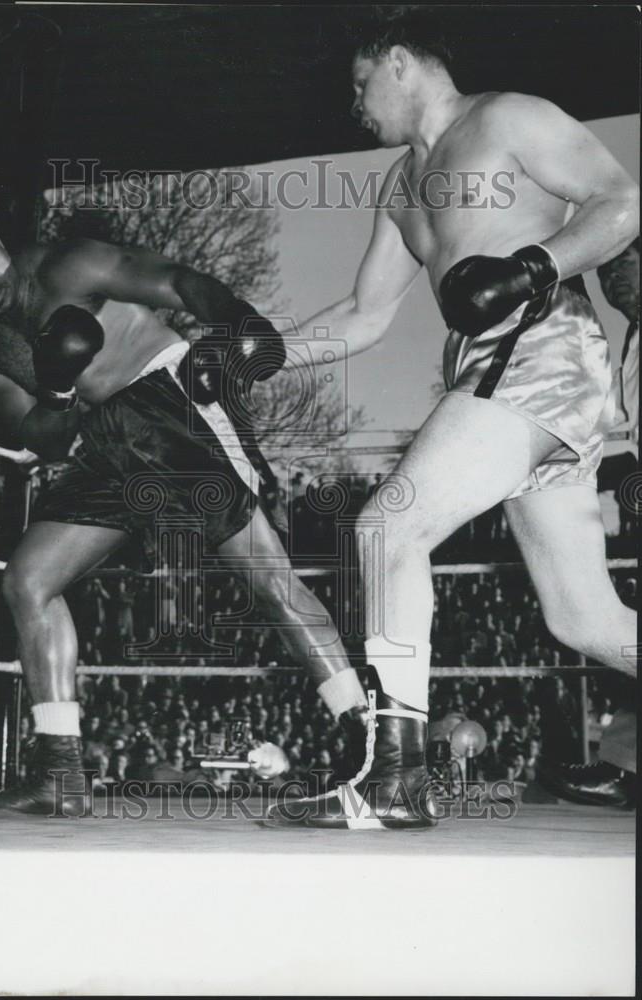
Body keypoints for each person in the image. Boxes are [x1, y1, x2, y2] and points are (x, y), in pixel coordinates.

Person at [267, 10, 638, 828]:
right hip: (489, 373)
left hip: (542, 350)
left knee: (386, 527)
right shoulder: (399, 187)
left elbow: (621, 200)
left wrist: (530, 269)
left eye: (360, 84)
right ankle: (393, 779)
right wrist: (256, 354)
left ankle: (392, 780)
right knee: (580, 617)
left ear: (398, 61)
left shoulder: (506, 117)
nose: (355, 104)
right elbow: (364, 316)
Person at [0, 205, 370, 817]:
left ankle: (371, 744)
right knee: (29, 581)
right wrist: (56, 386)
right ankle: (60, 772)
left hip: (169, 403)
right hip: (101, 439)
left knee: (268, 580)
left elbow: (178, 281)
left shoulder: (69, 264)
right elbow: (41, 438)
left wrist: (239, 321)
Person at [537, 238, 639, 808]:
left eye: (626, 262)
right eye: (605, 271)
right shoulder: (629, 341)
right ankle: (624, 768)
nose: (612, 279)